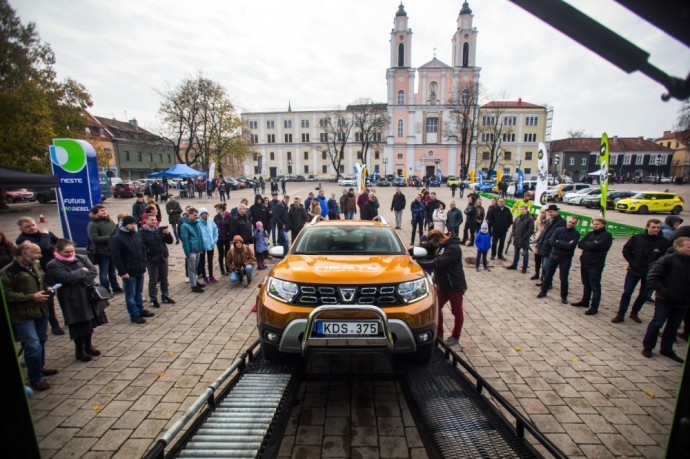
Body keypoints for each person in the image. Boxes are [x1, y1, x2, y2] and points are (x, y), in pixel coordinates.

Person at [1, 242, 58, 391]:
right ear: (23, 254)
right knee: (32, 345)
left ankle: (39, 367)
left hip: (40, 310)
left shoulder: (34, 265)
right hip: (23, 315)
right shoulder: (9, 272)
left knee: (42, 340)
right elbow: (6, 294)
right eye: (36, 253)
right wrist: (31, 297)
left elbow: (42, 280)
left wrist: (47, 288)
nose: (39, 256)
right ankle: (35, 378)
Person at [47, 239, 108, 362]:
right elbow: (64, 278)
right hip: (72, 298)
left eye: (71, 251)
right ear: (58, 251)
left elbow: (93, 271)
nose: (70, 254)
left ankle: (89, 345)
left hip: (87, 295)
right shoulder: (53, 264)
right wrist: (81, 272)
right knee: (78, 324)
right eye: (66, 252)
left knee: (89, 322)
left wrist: (79, 279)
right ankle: (79, 350)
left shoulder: (82, 257)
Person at [611, 219, 671, 324]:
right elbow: (626, 250)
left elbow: (665, 258)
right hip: (634, 271)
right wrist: (632, 262)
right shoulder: (637, 238)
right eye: (653, 227)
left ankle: (634, 312)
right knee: (627, 292)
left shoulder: (664, 242)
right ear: (647, 227)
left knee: (643, 295)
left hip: (650, 273)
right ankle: (620, 314)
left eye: (658, 227)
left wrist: (656, 268)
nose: (656, 229)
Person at [641, 237, 690, 363]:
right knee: (657, 323)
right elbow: (652, 277)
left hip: (684, 302)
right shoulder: (668, 260)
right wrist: (664, 292)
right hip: (665, 300)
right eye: (688, 247)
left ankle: (667, 349)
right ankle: (648, 347)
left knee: (673, 326)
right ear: (678, 247)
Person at [16, 216, 65, 335]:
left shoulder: (44, 234)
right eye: (27, 227)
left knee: (64, 294)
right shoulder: (22, 240)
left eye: (33, 225)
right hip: (41, 272)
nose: (31, 228)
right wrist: (45, 236)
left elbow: (58, 242)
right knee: (48, 299)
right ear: (21, 228)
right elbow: (42, 247)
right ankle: (54, 324)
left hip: (56, 267)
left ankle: (69, 318)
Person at [417, 229, 467, 346]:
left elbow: (438, 262)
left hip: (455, 285)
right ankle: (439, 334)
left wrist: (419, 264)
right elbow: (428, 248)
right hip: (442, 285)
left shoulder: (453, 248)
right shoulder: (441, 244)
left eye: (435, 244)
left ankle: (455, 336)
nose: (434, 246)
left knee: (457, 312)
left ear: (440, 239)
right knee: (436, 308)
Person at [110, 216, 155, 323]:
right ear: (125, 225)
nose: (134, 226)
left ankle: (140, 309)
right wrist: (122, 272)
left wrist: (144, 262)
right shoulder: (117, 238)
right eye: (131, 224)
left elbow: (143, 249)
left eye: (134, 224)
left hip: (139, 268)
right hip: (128, 271)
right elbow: (116, 256)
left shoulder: (136, 234)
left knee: (138, 292)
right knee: (130, 294)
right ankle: (134, 314)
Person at [571, 218, 613, 315]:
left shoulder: (606, 236)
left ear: (603, 224)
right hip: (585, 262)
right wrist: (591, 245)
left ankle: (594, 307)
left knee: (595, 286)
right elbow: (581, 244)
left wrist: (590, 245)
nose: (595, 226)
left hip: (595, 264)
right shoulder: (590, 233)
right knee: (586, 283)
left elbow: (598, 246)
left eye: (597, 224)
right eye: (594, 224)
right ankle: (585, 301)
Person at [537, 216, 580, 303]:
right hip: (554, 255)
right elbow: (552, 241)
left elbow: (571, 246)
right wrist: (564, 243)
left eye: (573, 223)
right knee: (548, 274)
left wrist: (559, 241)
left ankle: (564, 296)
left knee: (563, 277)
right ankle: (543, 291)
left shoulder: (576, 234)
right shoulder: (558, 230)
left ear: (576, 224)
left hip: (565, 258)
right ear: (567, 221)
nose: (570, 224)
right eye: (570, 222)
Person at [140, 214, 174, 307]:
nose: (154, 222)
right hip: (151, 259)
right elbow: (141, 247)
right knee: (153, 279)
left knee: (164, 278)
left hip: (163, 257)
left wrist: (168, 234)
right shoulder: (142, 233)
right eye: (151, 220)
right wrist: (147, 256)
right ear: (146, 221)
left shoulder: (159, 230)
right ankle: (153, 299)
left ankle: (165, 296)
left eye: (155, 220)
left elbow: (170, 241)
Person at [87, 205, 123, 294]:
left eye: (105, 210)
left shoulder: (110, 221)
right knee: (104, 273)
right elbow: (94, 239)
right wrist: (110, 237)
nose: (104, 212)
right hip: (102, 252)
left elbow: (115, 232)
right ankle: (105, 289)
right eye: (102, 210)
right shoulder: (93, 224)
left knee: (113, 271)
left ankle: (116, 287)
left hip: (112, 250)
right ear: (96, 213)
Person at [535, 205, 565, 285]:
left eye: (551, 212)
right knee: (544, 265)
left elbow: (559, 235)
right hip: (544, 245)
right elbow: (543, 233)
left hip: (552, 247)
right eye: (549, 212)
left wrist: (551, 241)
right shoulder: (548, 221)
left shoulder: (561, 222)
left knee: (546, 265)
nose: (550, 213)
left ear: (556, 211)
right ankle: (544, 281)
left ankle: (548, 282)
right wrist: (539, 242)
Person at [179, 208, 205, 293]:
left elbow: (199, 236)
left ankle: (195, 282)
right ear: (189, 215)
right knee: (192, 269)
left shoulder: (196, 224)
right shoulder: (184, 226)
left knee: (195, 268)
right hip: (191, 250)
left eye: (196, 215)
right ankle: (193, 285)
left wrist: (201, 248)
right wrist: (187, 252)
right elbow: (185, 239)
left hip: (197, 249)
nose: (196, 217)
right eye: (194, 215)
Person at [506, 205, 534, 273]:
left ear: (526, 210)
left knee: (525, 254)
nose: (521, 211)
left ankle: (524, 267)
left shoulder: (530, 219)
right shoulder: (518, 217)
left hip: (524, 239)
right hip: (517, 238)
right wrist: (514, 233)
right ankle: (514, 264)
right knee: (516, 253)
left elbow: (531, 230)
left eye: (523, 209)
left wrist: (525, 236)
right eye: (520, 210)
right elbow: (514, 226)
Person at [197, 208, 219, 284]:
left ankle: (211, 275)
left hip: (211, 244)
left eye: (205, 213)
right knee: (202, 261)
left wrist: (215, 239)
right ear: (200, 215)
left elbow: (215, 230)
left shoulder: (210, 221)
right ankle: (204, 276)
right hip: (202, 245)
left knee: (210, 261)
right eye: (202, 214)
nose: (204, 215)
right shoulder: (198, 223)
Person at [530, 208, 548, 280]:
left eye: (544, 213)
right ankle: (536, 273)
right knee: (537, 259)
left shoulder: (549, 222)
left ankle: (543, 276)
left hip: (545, 243)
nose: (542, 214)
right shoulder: (538, 221)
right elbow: (537, 230)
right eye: (541, 212)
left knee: (544, 262)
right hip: (538, 242)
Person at [214, 204, 232, 276]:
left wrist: (230, 236)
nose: (217, 210)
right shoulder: (216, 217)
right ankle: (222, 269)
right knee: (221, 253)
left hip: (227, 237)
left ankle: (228, 267)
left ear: (221, 209)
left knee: (227, 253)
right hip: (219, 238)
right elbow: (214, 227)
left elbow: (231, 227)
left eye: (217, 209)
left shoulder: (229, 216)